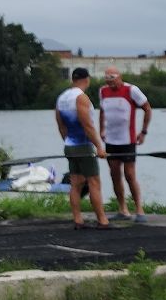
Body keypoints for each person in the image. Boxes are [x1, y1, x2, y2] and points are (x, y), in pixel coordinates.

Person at [97, 66, 154, 221]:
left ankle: (139, 211)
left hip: (128, 140)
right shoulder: (103, 91)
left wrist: (143, 132)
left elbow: (147, 109)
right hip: (110, 141)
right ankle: (123, 209)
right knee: (115, 175)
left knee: (129, 175)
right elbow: (102, 112)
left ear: (119, 77)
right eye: (107, 80)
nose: (110, 83)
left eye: (112, 79)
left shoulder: (132, 90)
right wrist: (101, 129)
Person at [54, 69, 108, 228]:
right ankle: (102, 220)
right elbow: (88, 126)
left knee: (76, 183)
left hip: (69, 146)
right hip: (84, 146)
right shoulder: (81, 97)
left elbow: (61, 126)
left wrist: (67, 142)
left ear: (73, 79)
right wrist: (99, 147)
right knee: (94, 182)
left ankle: (78, 220)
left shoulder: (62, 97)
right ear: (87, 79)